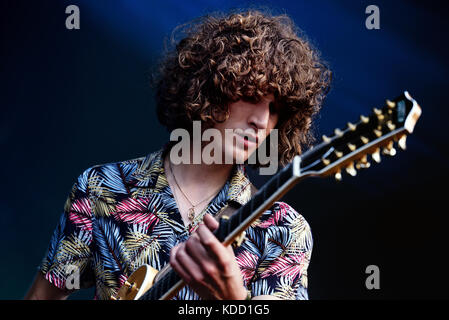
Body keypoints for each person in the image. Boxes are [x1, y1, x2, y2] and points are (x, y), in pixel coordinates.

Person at [25, 9, 331, 300]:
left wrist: (233, 299)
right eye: (251, 95)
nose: (262, 120)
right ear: (210, 88)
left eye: (275, 110)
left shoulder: (282, 229)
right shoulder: (101, 188)